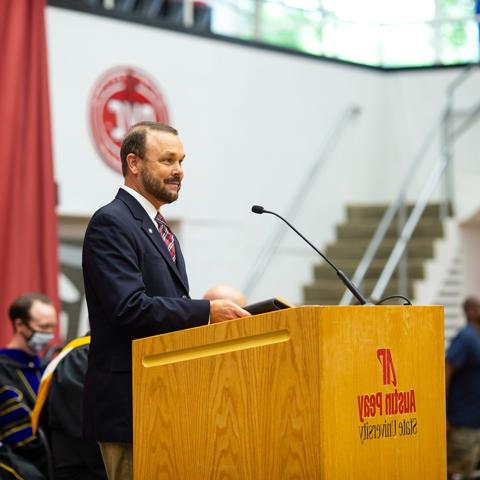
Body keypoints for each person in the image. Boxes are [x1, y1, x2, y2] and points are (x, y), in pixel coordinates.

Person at [82, 121, 249, 480]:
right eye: (168, 160)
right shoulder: (111, 223)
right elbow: (129, 308)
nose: (179, 172)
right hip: (130, 407)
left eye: (182, 161)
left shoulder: (160, 228)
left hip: (166, 398)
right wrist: (207, 311)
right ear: (134, 163)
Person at [0, 292, 57, 477]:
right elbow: (19, 434)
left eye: (52, 327)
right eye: (43, 327)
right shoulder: (3, 368)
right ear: (20, 325)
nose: (49, 334)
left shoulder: (48, 368)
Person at [446, 296, 480, 480]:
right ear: (471, 312)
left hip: (475, 423)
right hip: (462, 423)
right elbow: (447, 368)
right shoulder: (465, 337)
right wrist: (441, 411)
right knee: (455, 470)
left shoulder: (477, 336)